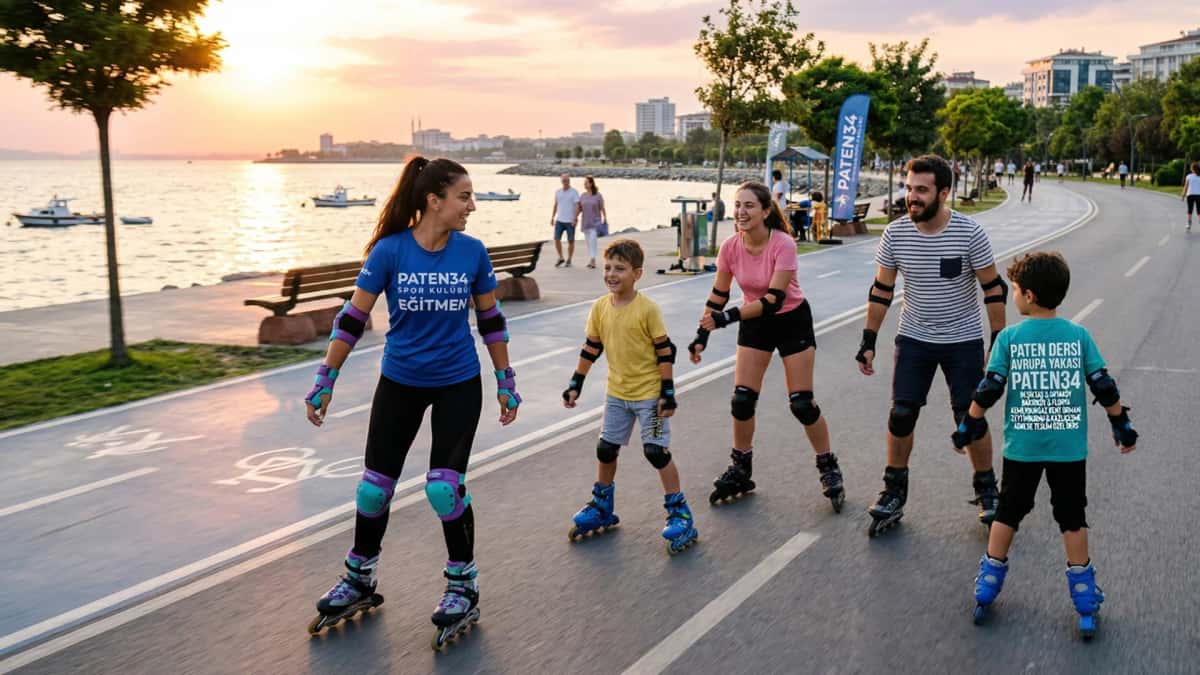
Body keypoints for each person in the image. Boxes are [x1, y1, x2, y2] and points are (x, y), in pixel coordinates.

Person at [304, 157, 522, 646]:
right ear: (433, 200)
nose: (472, 207)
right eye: (464, 197)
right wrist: (326, 377)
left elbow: (491, 321)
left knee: (444, 488)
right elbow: (353, 318)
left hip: (458, 382)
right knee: (372, 490)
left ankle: (462, 584)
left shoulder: (472, 253)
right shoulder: (390, 252)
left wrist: (505, 378)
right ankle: (360, 576)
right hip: (400, 381)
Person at [956, 252, 1138, 638]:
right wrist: (1120, 423)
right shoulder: (1078, 335)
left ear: (1030, 295)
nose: (1013, 297)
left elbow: (990, 388)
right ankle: (1086, 601)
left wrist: (968, 423)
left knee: (1008, 512)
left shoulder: (1010, 338)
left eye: (1016, 291)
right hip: (1067, 449)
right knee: (1072, 517)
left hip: (1022, 447)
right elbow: (1102, 384)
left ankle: (987, 586)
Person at [855, 154, 1008, 537]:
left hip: (963, 340)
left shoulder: (969, 233)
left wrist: (998, 345)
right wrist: (868, 339)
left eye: (921, 190)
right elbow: (882, 290)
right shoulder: (896, 234)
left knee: (968, 416)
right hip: (915, 338)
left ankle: (987, 489)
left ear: (943, 192)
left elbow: (994, 289)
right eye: (908, 188)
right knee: (902, 413)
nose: (912, 197)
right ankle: (893, 491)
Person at [688, 181, 846, 512]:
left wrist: (727, 318)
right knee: (742, 401)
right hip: (754, 323)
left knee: (801, 404)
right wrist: (702, 334)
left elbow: (773, 300)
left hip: (791, 320)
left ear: (764, 211)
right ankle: (741, 467)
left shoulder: (784, 244)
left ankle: (827, 465)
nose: (741, 212)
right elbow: (718, 295)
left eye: (749, 206)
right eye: (738, 205)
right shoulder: (730, 247)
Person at [562, 239, 699, 553]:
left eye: (620, 269)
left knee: (655, 452)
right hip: (617, 396)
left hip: (650, 397)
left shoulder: (647, 309)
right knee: (605, 449)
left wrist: (668, 392)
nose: (611, 274)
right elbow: (591, 347)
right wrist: (576, 383)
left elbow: (665, 352)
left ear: (637, 273)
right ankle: (602, 506)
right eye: (608, 267)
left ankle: (680, 512)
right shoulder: (599, 307)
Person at [550, 173, 581, 267]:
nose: (565, 182)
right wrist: (552, 217)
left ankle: (569, 259)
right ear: (561, 181)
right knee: (556, 239)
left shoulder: (574, 192)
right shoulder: (558, 192)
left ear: (569, 181)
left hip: (570, 221)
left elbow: (577, 206)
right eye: (563, 180)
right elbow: (555, 205)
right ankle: (561, 257)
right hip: (559, 220)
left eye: (566, 180)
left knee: (571, 241)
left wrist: (575, 219)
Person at [579, 176, 607, 269]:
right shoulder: (583, 195)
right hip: (585, 222)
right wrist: (574, 218)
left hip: (595, 222)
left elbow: (602, 207)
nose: (585, 184)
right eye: (584, 183)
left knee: (593, 241)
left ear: (591, 184)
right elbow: (579, 208)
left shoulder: (598, 195)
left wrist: (605, 218)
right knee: (588, 242)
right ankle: (591, 259)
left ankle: (593, 260)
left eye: (586, 182)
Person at [1183, 161, 1200, 232]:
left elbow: (1186, 187)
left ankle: (1189, 224)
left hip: (1190, 195)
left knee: (1190, 210)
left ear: (1192, 169)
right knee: (1199, 211)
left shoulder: (1189, 176)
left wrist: (1183, 195)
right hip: (1199, 195)